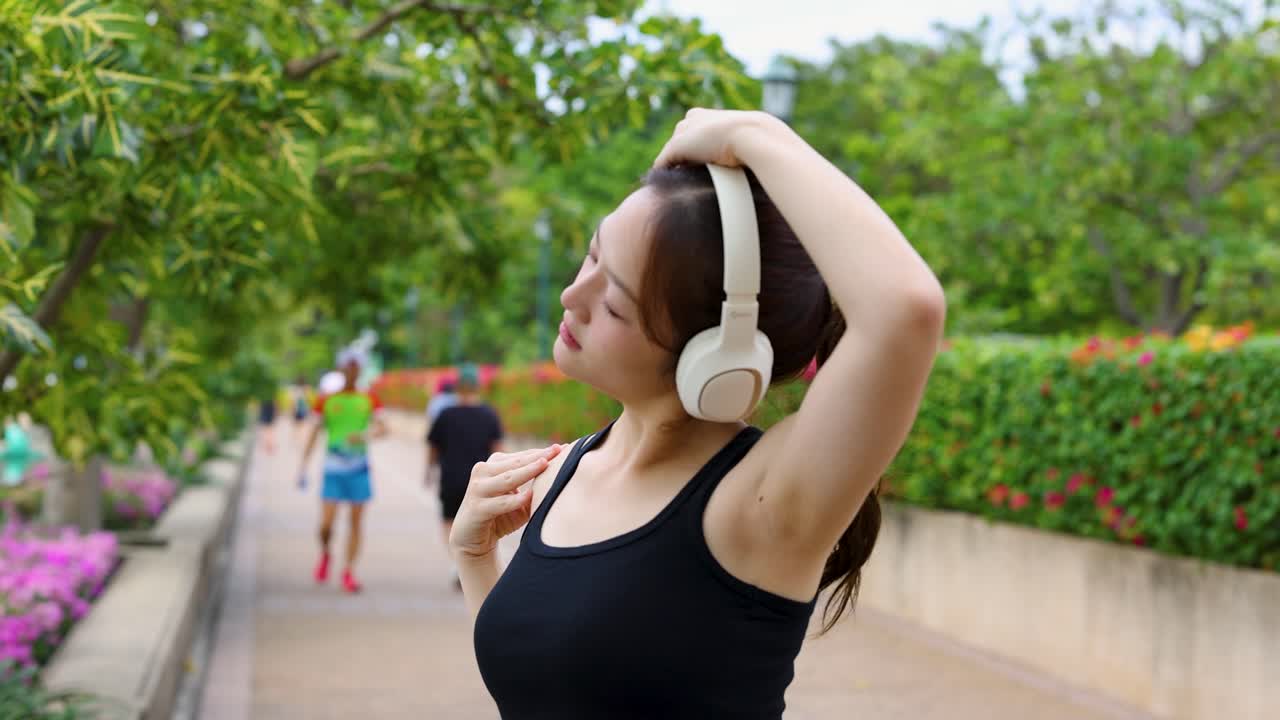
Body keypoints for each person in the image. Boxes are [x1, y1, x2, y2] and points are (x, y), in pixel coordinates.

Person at [450, 109, 946, 718]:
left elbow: (907, 311)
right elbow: (543, 686)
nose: (571, 297)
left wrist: (753, 135)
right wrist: (476, 559)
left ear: (717, 354)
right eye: (591, 257)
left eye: (615, 305)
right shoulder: (560, 475)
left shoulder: (763, 502)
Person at [300, 349, 389, 593]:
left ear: (359, 370)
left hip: (359, 469)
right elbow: (314, 432)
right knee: (326, 525)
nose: (351, 370)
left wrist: (364, 435)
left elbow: (384, 429)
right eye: (347, 367)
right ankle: (326, 553)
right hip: (333, 469)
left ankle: (349, 571)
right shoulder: (327, 399)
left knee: (356, 522)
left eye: (355, 367)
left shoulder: (369, 398)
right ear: (341, 369)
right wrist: (303, 465)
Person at [425, 364, 503, 588]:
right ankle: (473, 563)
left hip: (450, 478)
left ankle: (457, 563)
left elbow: (433, 447)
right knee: (483, 523)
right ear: (478, 387)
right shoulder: (489, 414)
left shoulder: (445, 414)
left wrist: (428, 471)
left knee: (449, 521)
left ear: (457, 387)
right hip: (481, 481)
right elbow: (497, 448)